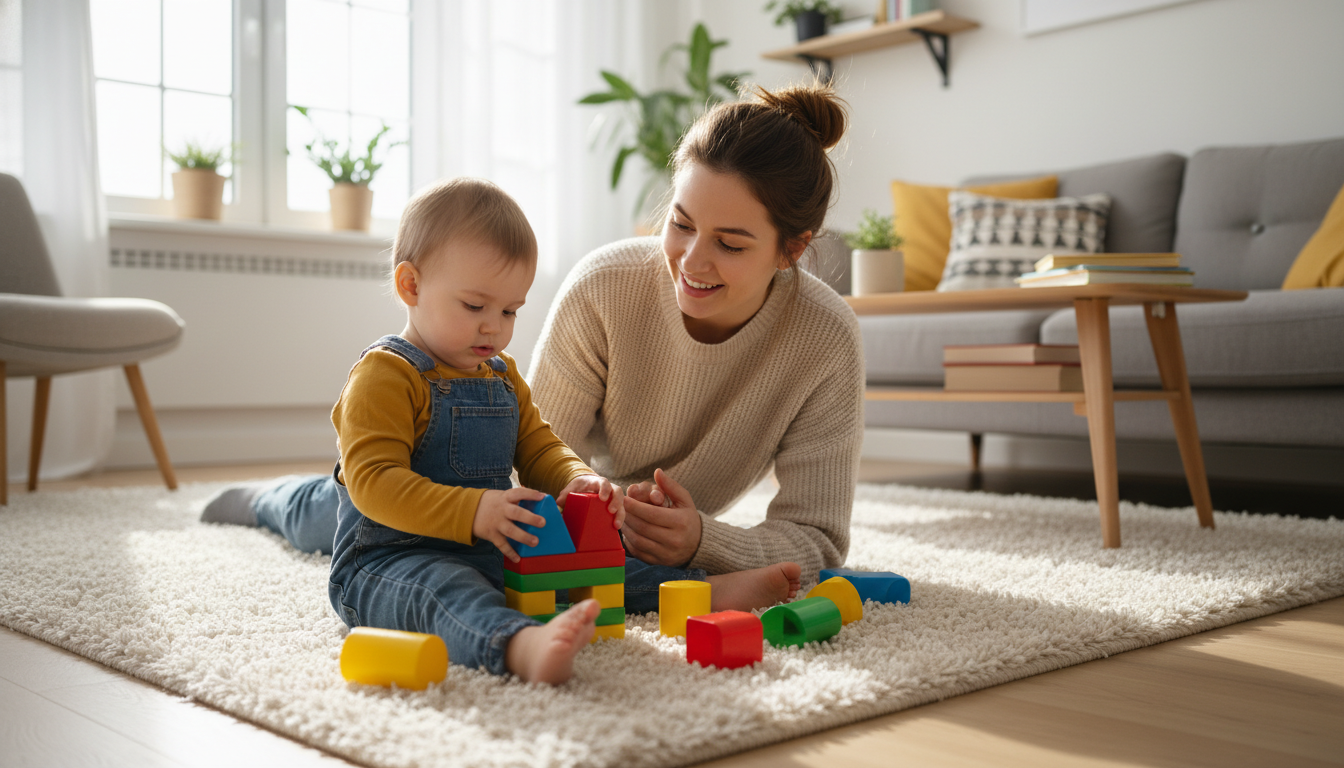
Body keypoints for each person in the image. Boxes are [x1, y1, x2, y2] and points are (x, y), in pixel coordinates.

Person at [204, 80, 861, 636]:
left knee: (555, 559)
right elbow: (509, 469)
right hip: (454, 500)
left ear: (791, 249)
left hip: (567, 520)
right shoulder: (605, 287)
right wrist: (548, 503)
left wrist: (701, 545)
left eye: (731, 243)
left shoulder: (826, 340)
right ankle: (268, 498)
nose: (691, 261)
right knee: (331, 504)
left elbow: (819, 542)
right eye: (682, 223)